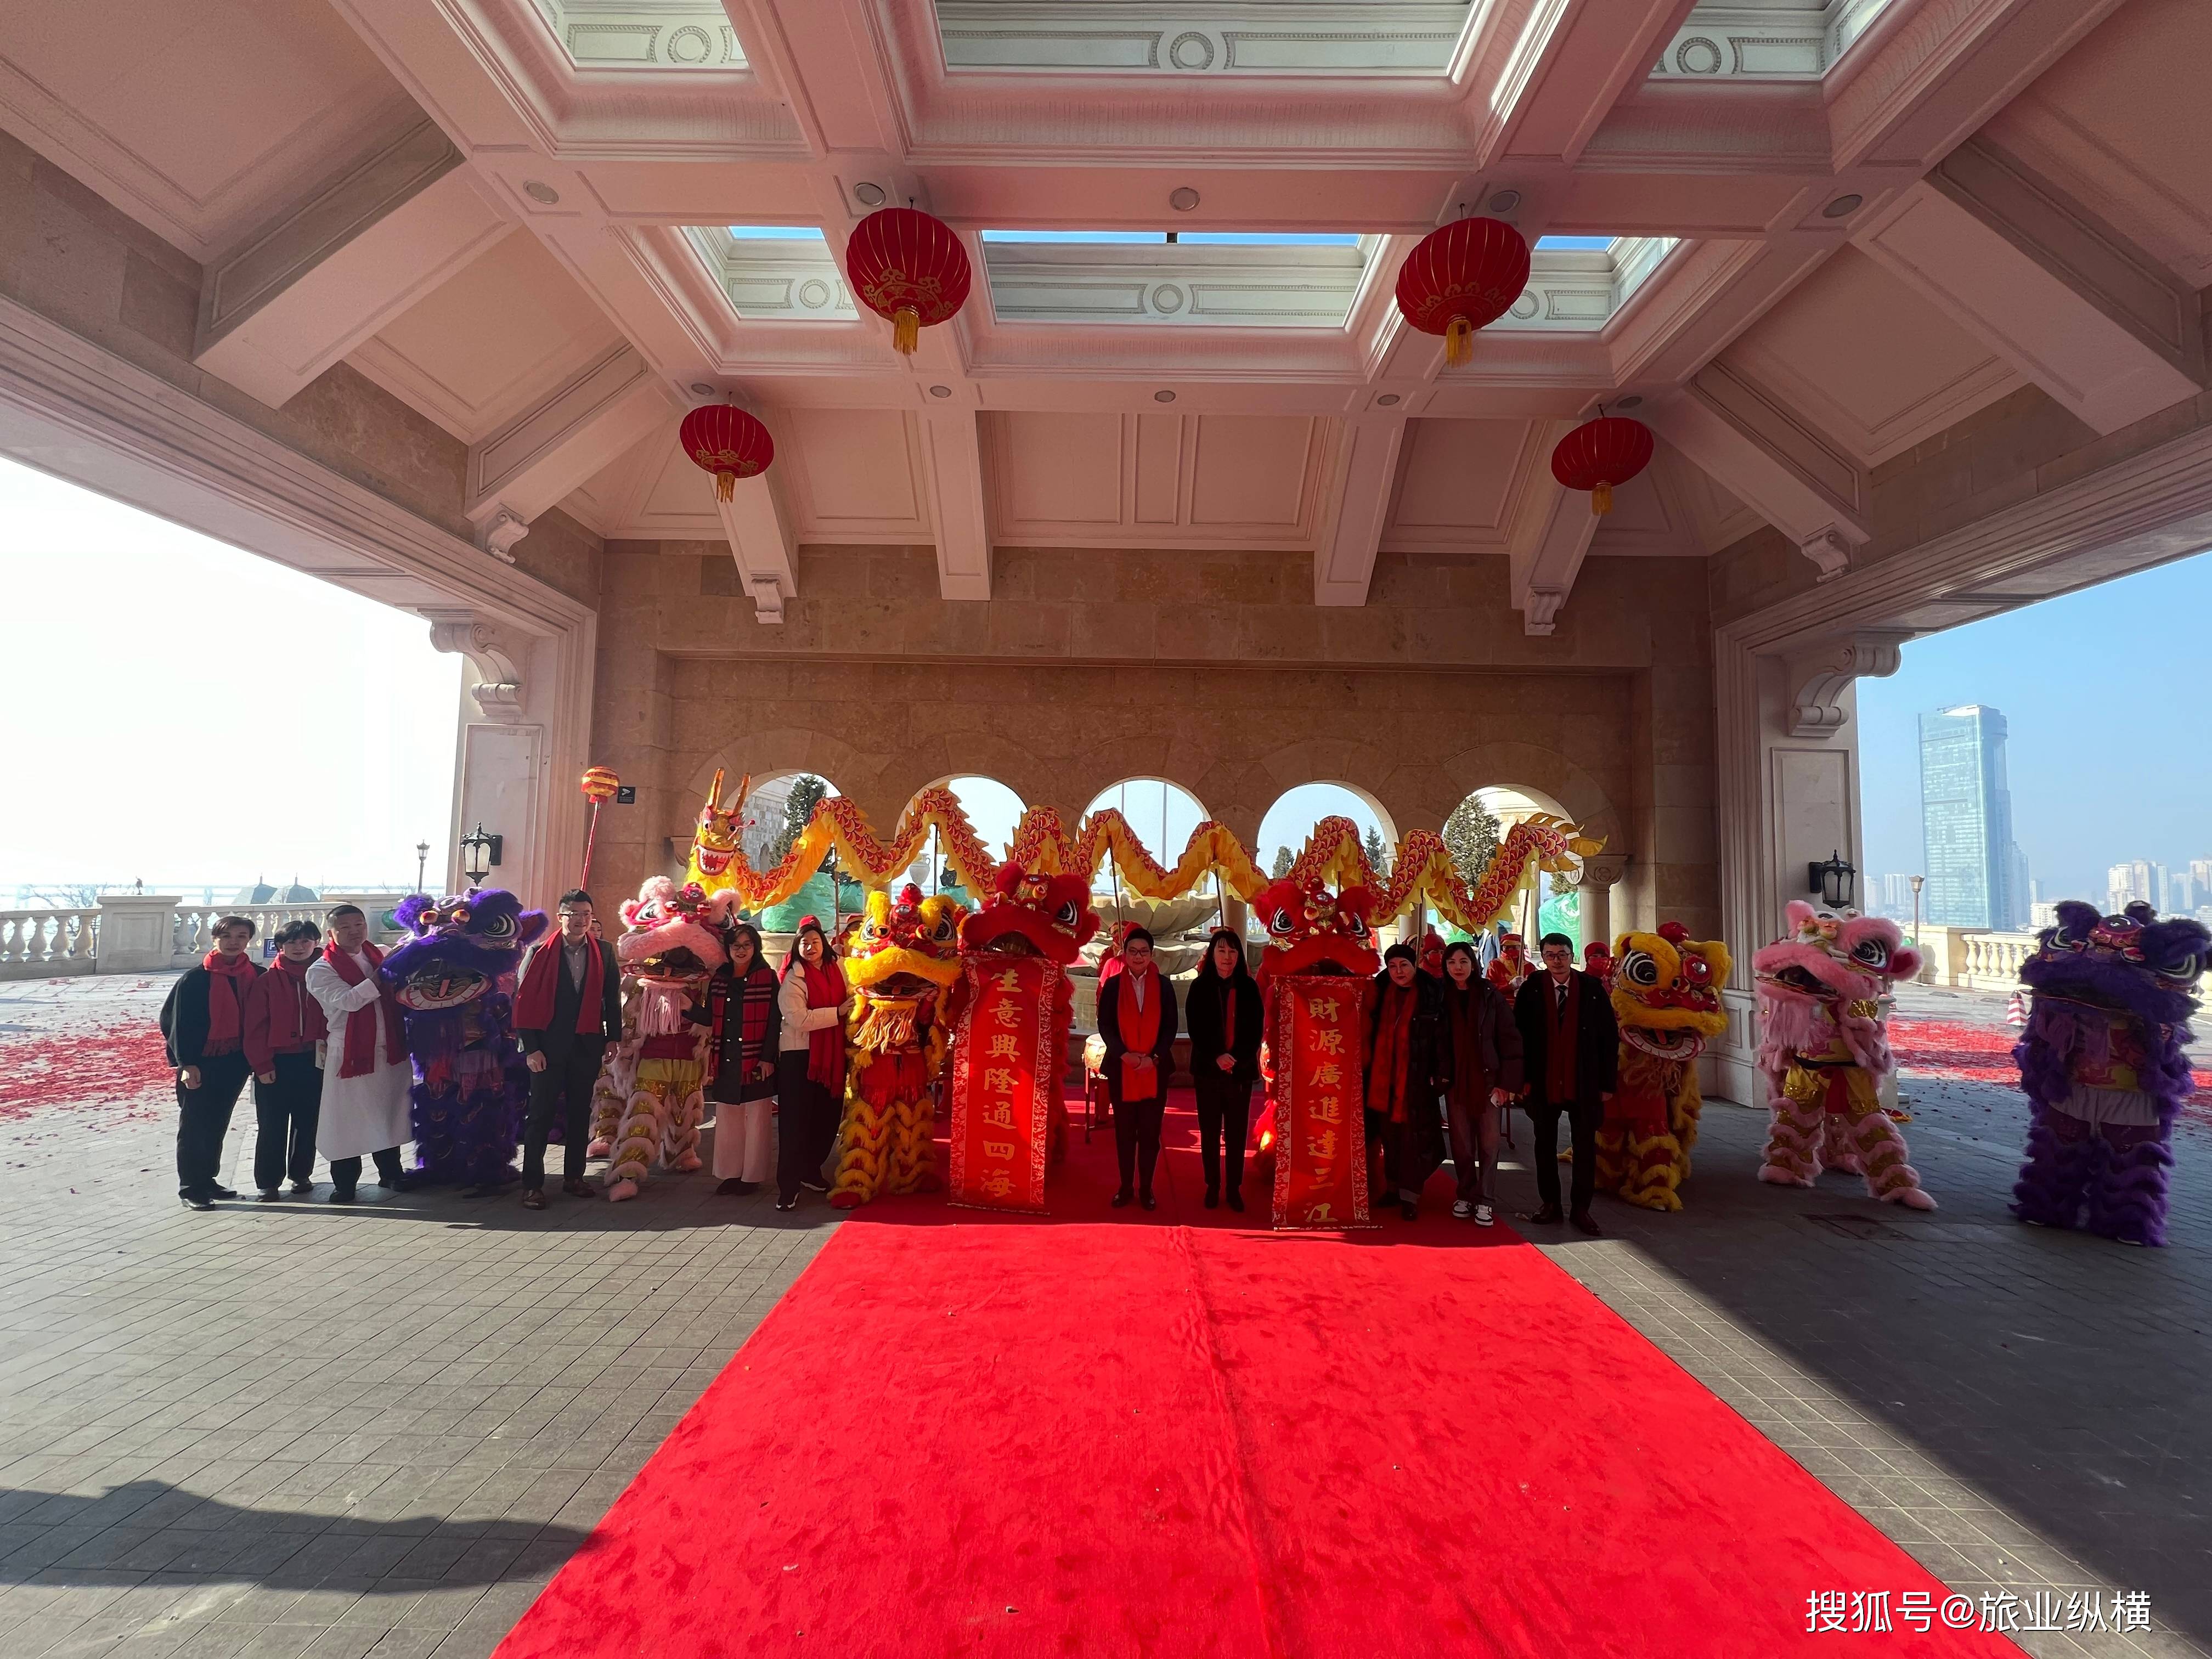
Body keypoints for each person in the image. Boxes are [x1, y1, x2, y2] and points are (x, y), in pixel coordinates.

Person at [515, 889, 623, 1209]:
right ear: (561, 916)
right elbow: (522, 1003)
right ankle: (532, 1185)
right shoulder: (538, 952)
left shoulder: (603, 951)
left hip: (586, 1044)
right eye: (574, 914)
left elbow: (611, 998)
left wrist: (612, 1038)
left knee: (580, 1113)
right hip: (546, 1048)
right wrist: (530, 1048)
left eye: (586, 914)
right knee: (541, 1116)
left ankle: (575, 1177)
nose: (580, 920)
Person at [307, 904, 415, 1203]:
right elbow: (350, 1001)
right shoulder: (321, 968)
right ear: (331, 932)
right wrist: (382, 975)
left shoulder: (377, 953)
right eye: (346, 927)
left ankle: (391, 1172)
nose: (355, 932)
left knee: (389, 1110)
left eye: (359, 925)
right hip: (350, 1051)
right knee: (347, 1119)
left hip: (390, 1045)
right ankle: (345, 1183)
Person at [1514, 930, 1619, 1236]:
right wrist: (1521, 1080)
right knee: (1543, 1145)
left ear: (1572, 956)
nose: (1557, 961)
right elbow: (1518, 1038)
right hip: (1543, 1082)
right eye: (1550, 955)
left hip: (1584, 1081)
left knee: (1585, 1147)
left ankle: (1582, 1209)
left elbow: (1608, 1038)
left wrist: (1607, 1083)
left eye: (1562, 954)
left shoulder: (1592, 989)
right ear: (1543, 958)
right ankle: (1550, 1204)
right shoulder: (1532, 988)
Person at [162, 914, 263, 1210]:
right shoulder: (196, 979)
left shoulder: (255, 974)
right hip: (201, 1063)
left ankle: (208, 1179)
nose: (234, 942)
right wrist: (187, 1064)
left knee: (218, 1122)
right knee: (195, 1125)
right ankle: (191, 1187)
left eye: (241, 936)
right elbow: (176, 1023)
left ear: (249, 940)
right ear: (215, 939)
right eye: (227, 936)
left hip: (236, 1061)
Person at [689, 921, 781, 1195]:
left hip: (756, 1059)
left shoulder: (768, 976)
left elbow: (775, 1021)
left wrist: (767, 1058)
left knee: (757, 1120)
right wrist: (688, 1008)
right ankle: (730, 1175)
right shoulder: (720, 977)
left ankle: (752, 1177)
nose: (741, 951)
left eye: (747, 945)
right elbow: (710, 1016)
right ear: (728, 949)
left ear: (756, 947)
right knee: (728, 1117)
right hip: (727, 1057)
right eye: (736, 945)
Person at [1364, 941, 1451, 1220]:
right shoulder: (1378, 993)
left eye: (1404, 965)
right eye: (1392, 966)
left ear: (1414, 965)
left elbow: (1442, 1040)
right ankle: (1392, 1188)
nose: (1398, 971)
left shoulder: (1432, 994)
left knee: (1415, 1138)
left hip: (1416, 1078)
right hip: (1383, 1080)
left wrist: (1440, 1075)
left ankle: (1410, 1195)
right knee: (1390, 1138)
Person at [242, 919, 327, 1200]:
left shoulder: (325, 975)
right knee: (272, 1124)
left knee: (308, 1121)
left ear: (316, 942)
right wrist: (262, 1065)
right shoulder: (267, 980)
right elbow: (255, 1027)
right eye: (291, 942)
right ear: (280, 946)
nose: (299, 947)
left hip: (315, 1061)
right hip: (277, 1063)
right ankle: (268, 1181)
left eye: (305, 941)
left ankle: (301, 1174)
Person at [1439, 940, 1522, 1226]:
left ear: (1473, 964)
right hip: (1456, 1082)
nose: (1457, 968)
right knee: (1461, 1143)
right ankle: (1465, 1192)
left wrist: (1506, 1083)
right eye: (1451, 963)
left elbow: (1509, 1040)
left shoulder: (1490, 996)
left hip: (1488, 1079)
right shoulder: (1441, 997)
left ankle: (1486, 1199)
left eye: (1463, 962)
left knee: (1488, 1143)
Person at [1097, 926, 1178, 1211]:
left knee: (1149, 1132)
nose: (1139, 956)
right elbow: (1105, 1024)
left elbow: (1170, 1027)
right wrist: (1125, 1055)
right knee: (1125, 1132)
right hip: (1122, 1069)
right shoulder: (1114, 986)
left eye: (1144, 952)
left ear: (1151, 954)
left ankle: (1146, 1188)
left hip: (1155, 1069)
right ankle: (1125, 1186)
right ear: (1125, 954)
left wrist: (1153, 1058)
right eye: (1133, 951)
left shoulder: (1165, 986)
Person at [1182, 927, 1262, 1212]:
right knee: (1210, 1130)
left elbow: (1255, 1030)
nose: (1227, 957)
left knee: (1237, 1132)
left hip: (1239, 1072)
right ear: (1212, 955)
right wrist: (1217, 1056)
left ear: (1239, 955)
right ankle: (1213, 1185)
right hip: (1208, 1070)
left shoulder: (1249, 988)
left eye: (1232, 951)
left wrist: (1236, 1058)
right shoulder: (1200, 987)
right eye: (1221, 950)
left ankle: (1234, 1187)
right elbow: (1195, 1027)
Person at [777, 916, 852, 1211]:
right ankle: (788, 1186)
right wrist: (837, 1013)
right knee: (795, 1123)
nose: (810, 947)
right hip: (800, 1057)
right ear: (797, 947)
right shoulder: (794, 977)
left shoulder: (840, 970)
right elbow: (798, 1019)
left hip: (832, 1057)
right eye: (804, 943)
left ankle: (811, 1171)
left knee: (827, 1119)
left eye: (815, 941)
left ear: (824, 944)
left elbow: (855, 998)